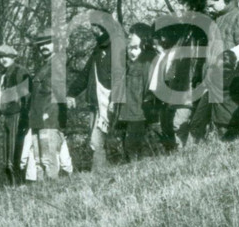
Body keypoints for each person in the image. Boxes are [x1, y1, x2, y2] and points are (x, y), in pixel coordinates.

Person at [194, 0, 239, 140]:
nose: (209, 9)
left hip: (230, 80)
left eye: (211, 5)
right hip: (214, 80)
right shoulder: (217, 20)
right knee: (204, 123)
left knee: (227, 124)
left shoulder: (238, 16)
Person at [160, 0, 208, 148]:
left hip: (193, 83)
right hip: (182, 85)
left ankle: (188, 155)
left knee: (181, 122)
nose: (179, 7)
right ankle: (186, 155)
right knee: (180, 123)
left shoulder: (202, 27)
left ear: (193, 5)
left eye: (183, 3)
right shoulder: (186, 30)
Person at [70, 24, 115, 172]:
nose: (91, 28)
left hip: (109, 102)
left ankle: (100, 174)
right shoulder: (98, 49)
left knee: (98, 141)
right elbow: (85, 75)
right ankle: (102, 174)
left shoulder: (116, 48)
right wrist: (71, 93)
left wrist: (115, 98)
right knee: (96, 141)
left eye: (94, 25)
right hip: (95, 104)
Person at [27, 28, 71, 179]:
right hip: (37, 119)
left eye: (47, 43)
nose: (43, 47)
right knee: (39, 161)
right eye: (40, 44)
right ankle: (42, 192)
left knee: (49, 159)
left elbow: (61, 92)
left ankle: (52, 191)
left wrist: (62, 120)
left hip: (50, 118)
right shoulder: (43, 67)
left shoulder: (57, 64)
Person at [111, 24, 158, 163]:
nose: (129, 36)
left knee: (134, 150)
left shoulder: (148, 59)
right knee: (128, 150)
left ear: (142, 36)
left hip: (139, 114)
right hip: (126, 112)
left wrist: (150, 109)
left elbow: (151, 87)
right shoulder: (129, 60)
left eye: (133, 33)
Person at [0, 44, 30, 185]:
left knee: (15, 152)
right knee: (6, 154)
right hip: (6, 116)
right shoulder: (3, 75)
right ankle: (11, 185)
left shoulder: (20, 72)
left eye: (6, 56)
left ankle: (19, 184)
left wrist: (25, 116)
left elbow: (26, 96)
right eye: (0, 57)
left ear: (13, 57)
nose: (3, 60)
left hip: (17, 115)